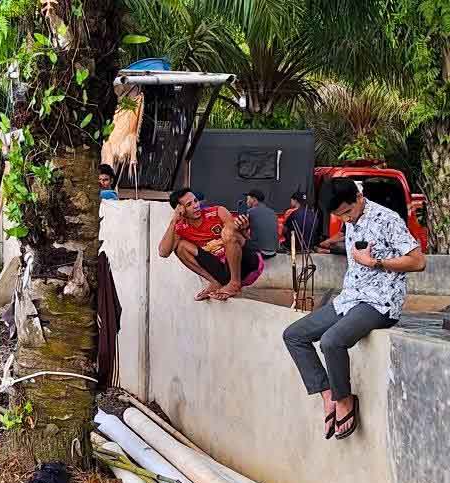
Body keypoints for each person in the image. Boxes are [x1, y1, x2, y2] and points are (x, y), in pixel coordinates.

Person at [283, 177, 426, 441]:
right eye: (339, 215)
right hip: (349, 298)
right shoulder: (351, 220)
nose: (346, 219)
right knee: (294, 335)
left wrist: (376, 262)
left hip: (380, 301)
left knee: (331, 341)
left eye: (348, 212)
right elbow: (348, 237)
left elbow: (418, 262)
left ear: (359, 197)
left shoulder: (387, 219)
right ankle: (329, 396)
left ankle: (345, 400)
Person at [158, 187, 255, 301]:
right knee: (180, 247)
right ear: (181, 210)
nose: (196, 205)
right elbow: (163, 252)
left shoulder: (218, 211)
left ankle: (234, 284)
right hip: (222, 270)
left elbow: (237, 237)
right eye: (189, 204)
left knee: (228, 232)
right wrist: (174, 221)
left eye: (195, 201)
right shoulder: (180, 227)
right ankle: (215, 282)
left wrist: (242, 229)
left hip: (244, 263)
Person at [244, 189, 279, 260]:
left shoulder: (250, 212)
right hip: (274, 251)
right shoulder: (273, 212)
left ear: (253, 199)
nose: (246, 201)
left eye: (248, 199)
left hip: (260, 252)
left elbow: (242, 231)